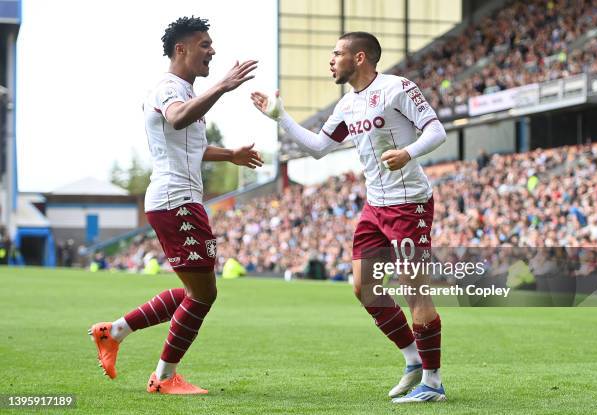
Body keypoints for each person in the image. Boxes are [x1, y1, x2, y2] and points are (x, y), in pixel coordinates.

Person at [252, 32, 447, 403]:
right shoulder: (346, 105)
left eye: (337, 53)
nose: (331, 59)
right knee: (364, 288)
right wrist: (281, 118)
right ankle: (412, 360)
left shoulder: (398, 88)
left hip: (409, 204)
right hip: (374, 206)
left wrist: (407, 152)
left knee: (414, 291)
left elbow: (436, 130)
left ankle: (433, 383)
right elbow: (319, 148)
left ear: (360, 58)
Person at [88, 16, 262, 395]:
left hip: (181, 200)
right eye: (204, 44)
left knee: (195, 291)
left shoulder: (181, 89)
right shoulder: (169, 89)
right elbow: (178, 118)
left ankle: (113, 332)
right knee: (203, 295)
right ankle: (164, 378)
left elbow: (189, 145)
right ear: (181, 49)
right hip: (175, 201)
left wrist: (228, 154)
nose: (212, 50)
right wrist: (223, 86)